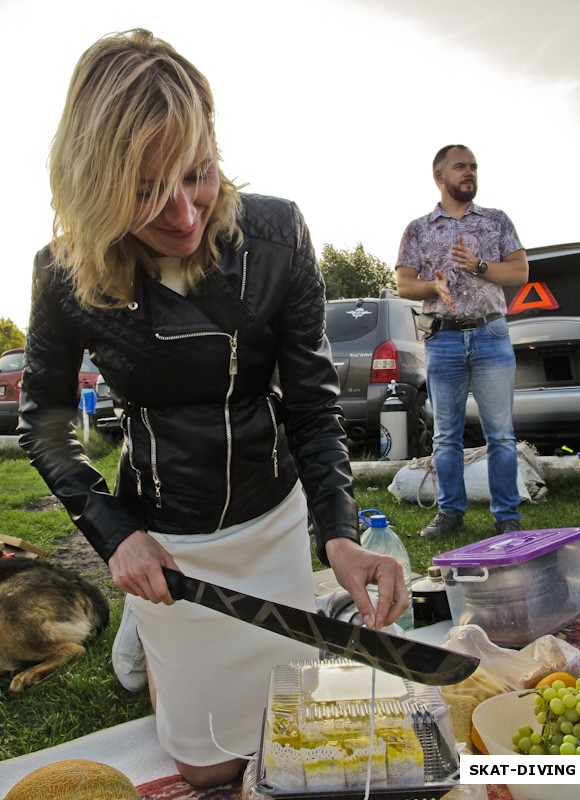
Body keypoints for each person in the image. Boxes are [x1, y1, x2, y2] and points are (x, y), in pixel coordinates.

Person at [17, 29, 408, 790]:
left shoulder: (279, 234)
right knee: (210, 769)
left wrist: (340, 533)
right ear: (93, 186)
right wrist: (115, 533)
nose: (186, 214)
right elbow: (46, 421)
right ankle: (156, 636)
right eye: (145, 191)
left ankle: (159, 638)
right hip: (165, 533)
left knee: (287, 742)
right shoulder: (60, 274)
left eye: (197, 175)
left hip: (270, 517)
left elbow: (313, 406)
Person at [395, 144, 528, 540]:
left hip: (491, 333)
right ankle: (450, 511)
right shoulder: (418, 229)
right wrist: (432, 285)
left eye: (473, 167)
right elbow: (404, 284)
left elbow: (520, 271)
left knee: (500, 434)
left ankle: (507, 515)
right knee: (446, 434)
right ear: (440, 176)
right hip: (445, 338)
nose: (469, 173)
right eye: (460, 167)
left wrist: (480, 266)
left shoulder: (496, 221)